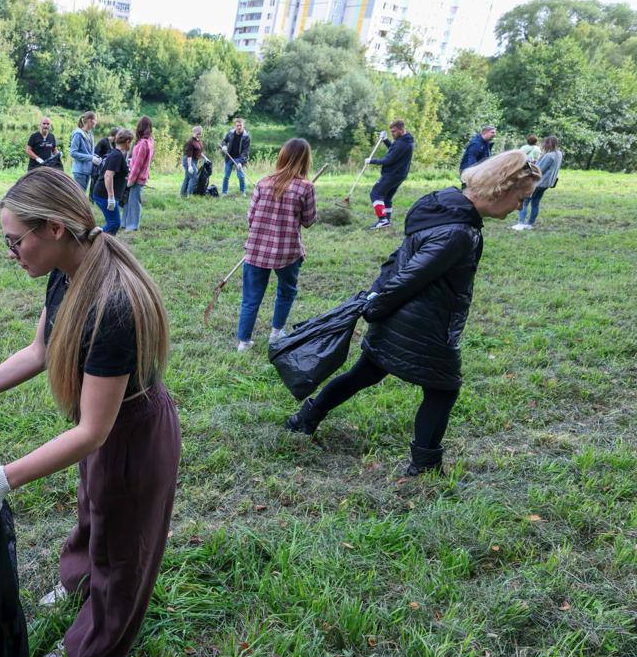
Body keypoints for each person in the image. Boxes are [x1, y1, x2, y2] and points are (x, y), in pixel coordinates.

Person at [0, 167, 180, 657]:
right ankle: (78, 584)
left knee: (122, 549)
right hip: (99, 426)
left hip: (131, 436)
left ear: (53, 227)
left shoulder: (112, 304)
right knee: (92, 513)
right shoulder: (67, 271)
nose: (11, 252)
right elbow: (41, 350)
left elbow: (94, 432)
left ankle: (88, 656)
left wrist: (4, 479)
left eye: (14, 240)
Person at [284, 151, 542, 476]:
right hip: (423, 324)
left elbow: (399, 257)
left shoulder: (442, 205)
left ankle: (304, 418)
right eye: (521, 198)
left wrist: (379, 298)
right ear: (500, 190)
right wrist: (376, 305)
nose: (520, 206)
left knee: (365, 373)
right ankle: (425, 466)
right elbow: (411, 275)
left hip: (400, 316)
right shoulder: (459, 233)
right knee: (443, 390)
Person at [235, 138, 316, 352]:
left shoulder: (262, 182)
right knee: (286, 292)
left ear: (282, 156)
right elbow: (308, 221)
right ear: (305, 160)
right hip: (287, 252)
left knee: (250, 298)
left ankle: (243, 342)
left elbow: (251, 218)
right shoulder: (306, 188)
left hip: (256, 251)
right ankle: (276, 332)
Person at [366, 119, 415, 230]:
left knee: (375, 193)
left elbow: (388, 160)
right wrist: (386, 140)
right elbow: (394, 150)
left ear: (401, 130)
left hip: (393, 174)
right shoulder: (406, 140)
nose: (392, 133)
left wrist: (371, 161)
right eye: (391, 131)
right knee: (387, 197)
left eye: (394, 131)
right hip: (400, 174)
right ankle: (386, 221)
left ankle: (382, 220)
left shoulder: (402, 143)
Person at [514, 135, 561, 230]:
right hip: (547, 183)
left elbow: (538, 170)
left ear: (548, 143)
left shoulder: (548, 155)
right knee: (535, 203)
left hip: (538, 183)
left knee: (524, 202)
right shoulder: (559, 154)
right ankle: (530, 224)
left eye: (544, 143)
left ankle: (520, 224)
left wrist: (529, 165)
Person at [93, 128, 132, 234]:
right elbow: (108, 176)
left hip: (107, 194)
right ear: (128, 141)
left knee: (113, 223)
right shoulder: (117, 156)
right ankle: (94, 238)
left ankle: (104, 243)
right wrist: (111, 197)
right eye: (131, 142)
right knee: (114, 223)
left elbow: (115, 174)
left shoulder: (117, 154)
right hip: (104, 195)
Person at [122, 116, 154, 231]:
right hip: (141, 176)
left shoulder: (143, 144)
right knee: (131, 201)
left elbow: (138, 165)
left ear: (140, 128)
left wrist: (131, 180)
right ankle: (126, 223)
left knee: (134, 202)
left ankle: (132, 226)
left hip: (137, 178)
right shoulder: (150, 141)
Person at [68, 111, 98, 191]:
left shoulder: (90, 134)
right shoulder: (78, 134)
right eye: (95, 120)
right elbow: (73, 153)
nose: (96, 122)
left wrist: (95, 157)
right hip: (80, 171)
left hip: (88, 171)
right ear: (89, 120)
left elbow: (89, 152)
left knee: (82, 196)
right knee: (79, 197)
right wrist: (91, 158)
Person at [220, 117, 251, 195]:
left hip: (239, 158)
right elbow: (224, 141)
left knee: (241, 176)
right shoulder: (230, 133)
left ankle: (242, 191)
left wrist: (241, 162)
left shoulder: (246, 137)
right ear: (235, 126)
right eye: (237, 125)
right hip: (229, 157)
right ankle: (224, 192)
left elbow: (245, 151)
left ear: (243, 126)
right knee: (226, 176)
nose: (239, 127)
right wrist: (224, 146)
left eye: (240, 125)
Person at [90, 127, 119, 196]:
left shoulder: (115, 144)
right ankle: (91, 199)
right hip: (98, 168)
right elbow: (95, 154)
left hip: (106, 169)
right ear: (115, 135)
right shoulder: (103, 141)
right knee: (94, 183)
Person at [181, 126, 204, 198]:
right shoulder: (190, 142)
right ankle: (189, 195)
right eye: (196, 133)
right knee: (194, 177)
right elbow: (189, 155)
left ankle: (182, 194)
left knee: (187, 178)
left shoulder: (199, 141)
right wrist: (190, 166)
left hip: (195, 160)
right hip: (188, 160)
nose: (198, 134)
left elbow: (199, 151)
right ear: (194, 132)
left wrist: (204, 158)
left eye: (199, 133)